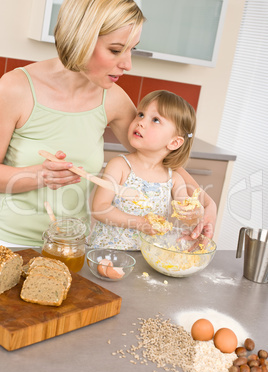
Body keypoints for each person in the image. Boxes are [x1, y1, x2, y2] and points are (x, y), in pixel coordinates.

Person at [0, 0, 216, 248]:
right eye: (115, 50)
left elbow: (159, 158)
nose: (127, 64)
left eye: (132, 49)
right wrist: (38, 176)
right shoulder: (15, 88)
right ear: (81, 39)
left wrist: (208, 204)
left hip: (73, 246)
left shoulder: (112, 98)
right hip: (8, 243)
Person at [89, 90, 205, 250]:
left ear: (174, 142)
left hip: (148, 256)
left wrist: (194, 214)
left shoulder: (174, 179)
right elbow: (99, 209)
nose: (140, 122)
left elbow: (187, 213)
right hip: (107, 253)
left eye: (155, 120)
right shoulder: (120, 166)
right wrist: (139, 223)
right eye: (141, 114)